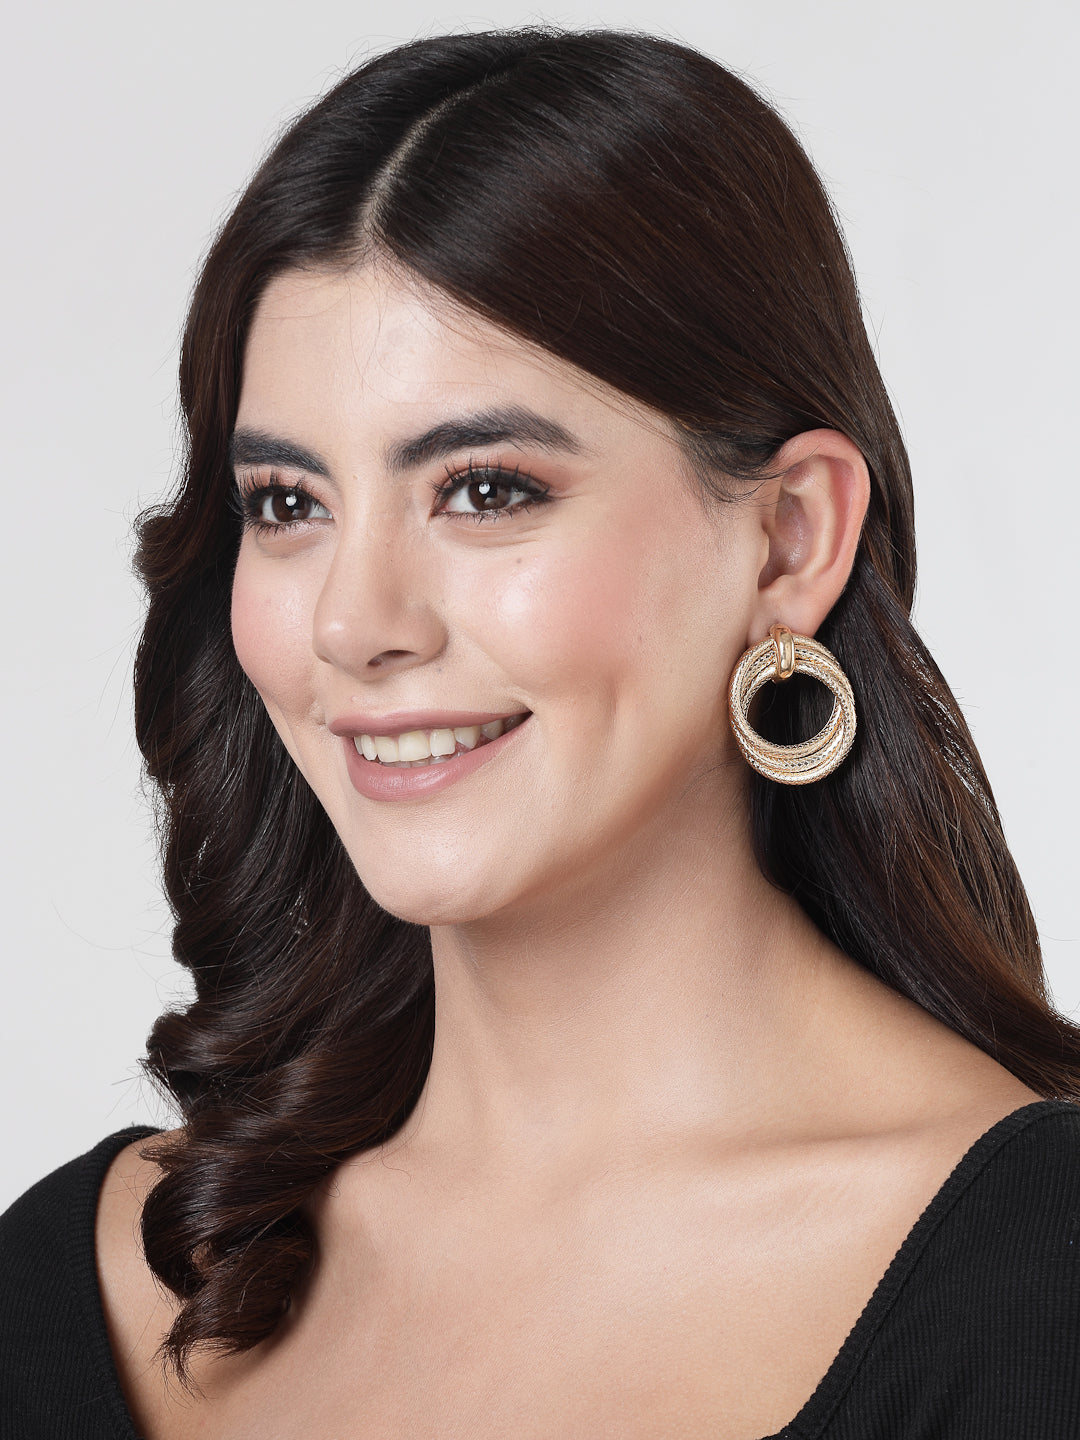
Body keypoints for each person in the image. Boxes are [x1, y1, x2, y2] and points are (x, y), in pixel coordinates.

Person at [2, 26, 1078, 1440]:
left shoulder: (1040, 1291)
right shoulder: (82, 1278)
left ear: (788, 539)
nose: (355, 621)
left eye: (486, 489)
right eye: (288, 505)